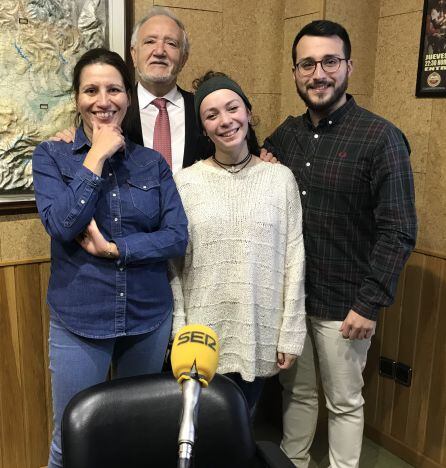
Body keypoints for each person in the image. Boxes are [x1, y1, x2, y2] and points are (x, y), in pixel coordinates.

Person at [263, 20, 417, 468]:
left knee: (345, 402)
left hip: (347, 305)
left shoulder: (380, 138)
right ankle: (293, 463)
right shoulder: (286, 136)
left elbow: (399, 230)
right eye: (307, 64)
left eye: (330, 61)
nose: (319, 74)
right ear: (295, 72)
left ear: (349, 66)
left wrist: (370, 304)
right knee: (297, 392)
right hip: (294, 299)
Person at [32, 48, 188, 468]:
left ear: (127, 95)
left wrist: (119, 249)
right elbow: (62, 226)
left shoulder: (151, 163)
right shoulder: (51, 157)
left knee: (134, 437)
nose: (103, 100)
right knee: (70, 440)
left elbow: (176, 238)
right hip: (80, 319)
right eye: (91, 90)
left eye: (114, 89)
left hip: (146, 318)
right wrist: (96, 155)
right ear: (77, 98)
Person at [169, 71, 307, 414]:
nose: (225, 121)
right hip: (202, 330)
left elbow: (294, 256)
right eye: (211, 115)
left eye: (232, 109)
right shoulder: (185, 183)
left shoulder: (280, 179)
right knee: (198, 428)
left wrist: (290, 330)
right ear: (203, 128)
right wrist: (178, 325)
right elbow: (174, 265)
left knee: (240, 423)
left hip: (259, 325)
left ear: (248, 111)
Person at [55, 6, 212, 171]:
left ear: (183, 59)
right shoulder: (111, 109)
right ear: (134, 54)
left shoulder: (203, 110)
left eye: (171, 43)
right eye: (150, 41)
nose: (159, 51)